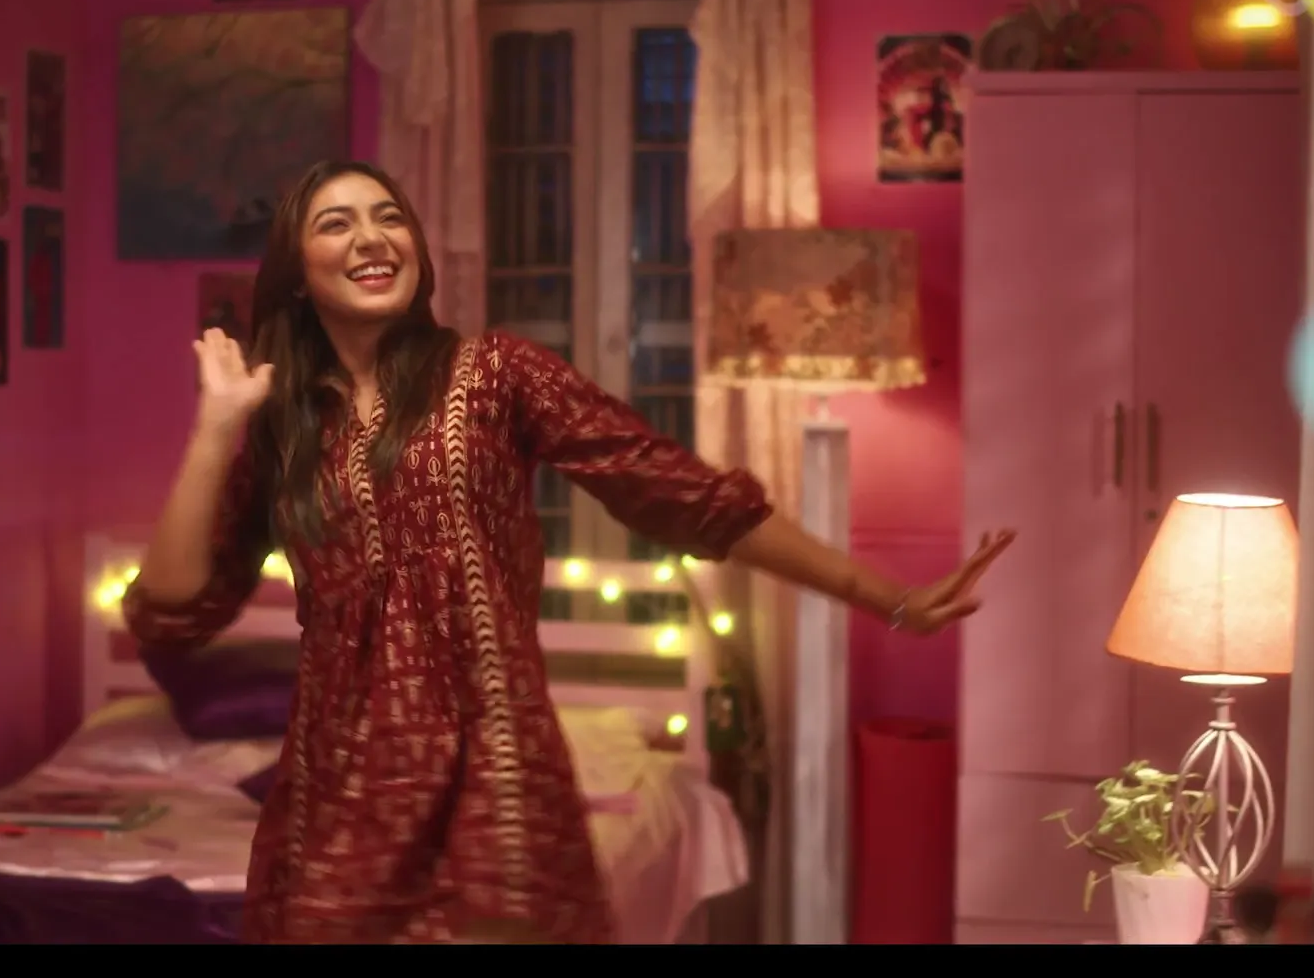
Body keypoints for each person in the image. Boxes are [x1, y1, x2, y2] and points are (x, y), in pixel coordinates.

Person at [127, 159, 1016, 945]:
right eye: (337, 223)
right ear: (296, 275)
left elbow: (685, 495)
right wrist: (217, 427)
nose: (372, 237)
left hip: (493, 791)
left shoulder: (496, 374)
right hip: (338, 803)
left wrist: (888, 596)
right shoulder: (283, 428)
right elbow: (171, 608)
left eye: (389, 216)